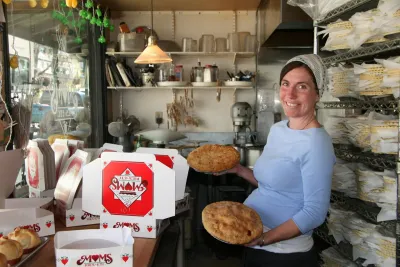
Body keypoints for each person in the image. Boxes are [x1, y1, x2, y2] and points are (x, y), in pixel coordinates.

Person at [224, 54, 336, 267]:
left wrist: (266, 238)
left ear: (318, 94)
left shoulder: (317, 144)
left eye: (302, 86)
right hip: (255, 241)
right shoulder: (278, 129)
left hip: (283, 254)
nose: (290, 93)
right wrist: (239, 170)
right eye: (286, 84)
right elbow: (275, 187)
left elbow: (314, 213)